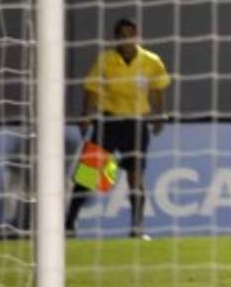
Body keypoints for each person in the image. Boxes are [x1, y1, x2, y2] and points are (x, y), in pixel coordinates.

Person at [66, 18, 171, 239]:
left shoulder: (151, 61)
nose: (126, 39)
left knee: (135, 177)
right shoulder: (106, 60)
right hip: (109, 122)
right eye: (122, 35)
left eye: (130, 34)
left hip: (136, 123)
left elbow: (158, 88)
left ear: (137, 36)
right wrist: (85, 115)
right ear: (116, 38)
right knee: (90, 175)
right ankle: (70, 223)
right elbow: (91, 88)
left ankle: (137, 228)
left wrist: (160, 114)